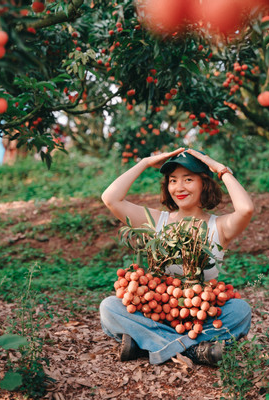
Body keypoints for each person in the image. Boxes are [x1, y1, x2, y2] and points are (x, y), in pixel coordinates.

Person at [99, 148, 254, 366]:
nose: (178, 188)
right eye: (172, 180)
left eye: (188, 179)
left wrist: (219, 169)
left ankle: (149, 344)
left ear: (204, 183)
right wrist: (144, 162)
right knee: (109, 307)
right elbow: (110, 198)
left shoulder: (219, 227)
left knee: (240, 311)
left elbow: (246, 208)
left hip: (200, 315)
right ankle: (197, 350)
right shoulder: (156, 222)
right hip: (156, 311)